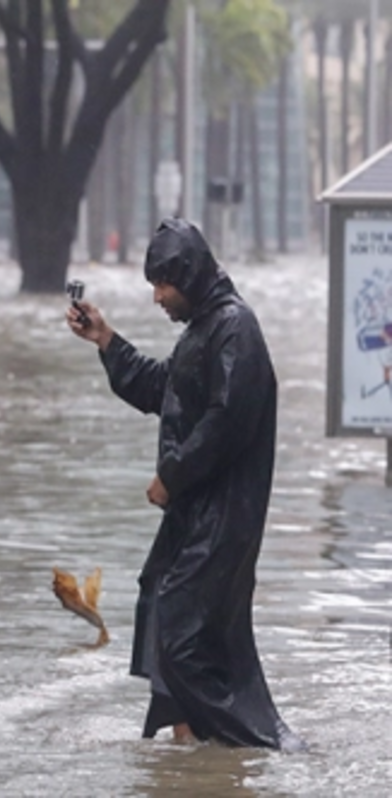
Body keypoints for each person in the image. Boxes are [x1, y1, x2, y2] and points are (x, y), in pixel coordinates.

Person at [66, 217, 303, 750]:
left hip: (224, 516)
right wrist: (105, 340)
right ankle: (193, 744)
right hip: (197, 515)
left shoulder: (234, 328)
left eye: (163, 285)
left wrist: (171, 477)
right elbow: (164, 389)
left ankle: (253, 743)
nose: (157, 297)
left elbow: (226, 420)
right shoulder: (204, 327)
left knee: (182, 627)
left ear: (189, 276)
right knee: (165, 608)